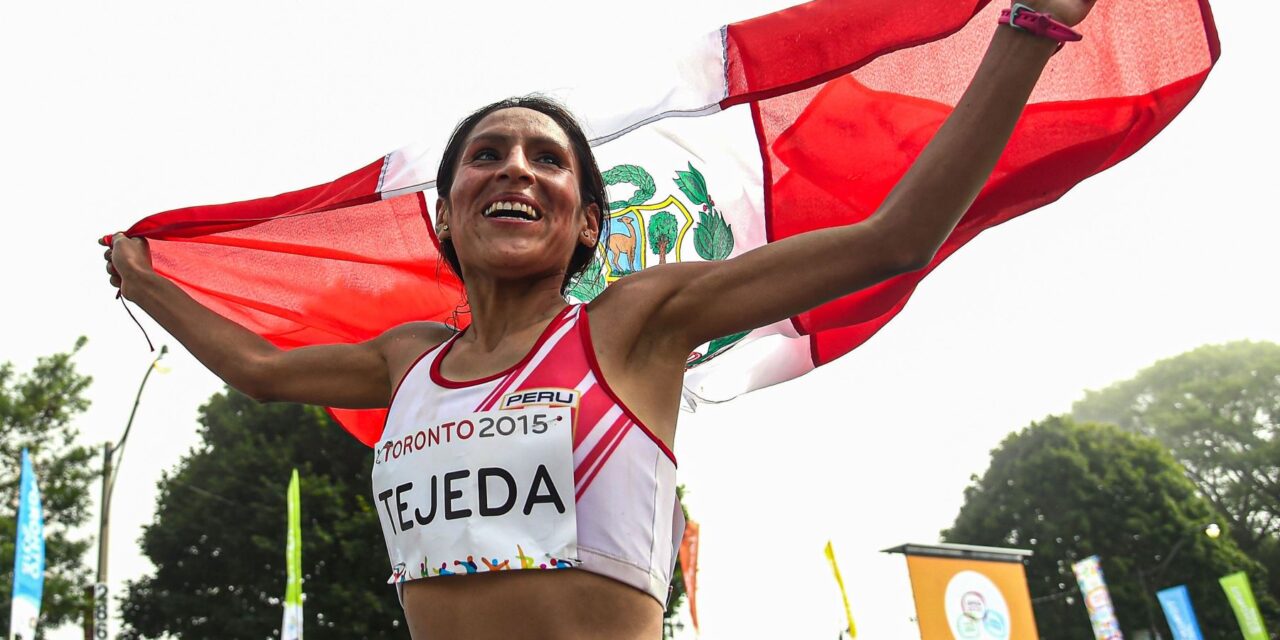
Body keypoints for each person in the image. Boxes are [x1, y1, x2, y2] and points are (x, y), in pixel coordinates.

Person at [102, 2, 1095, 638]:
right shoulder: (407, 360)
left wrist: (1028, 32)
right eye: (486, 154)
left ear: (584, 224)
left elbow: (893, 238)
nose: (515, 168)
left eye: (547, 159)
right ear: (443, 215)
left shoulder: (637, 323)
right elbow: (261, 370)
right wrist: (148, 285)